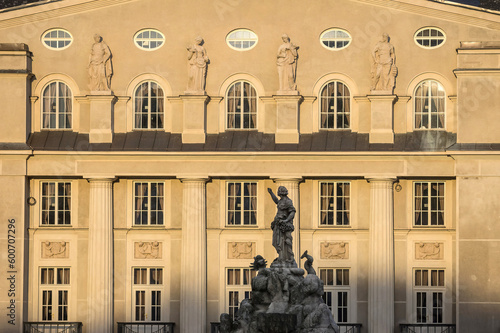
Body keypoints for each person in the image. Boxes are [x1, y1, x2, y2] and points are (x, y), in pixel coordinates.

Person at [267, 186, 296, 263]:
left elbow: (292, 212)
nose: (278, 192)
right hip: (277, 222)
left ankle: (287, 257)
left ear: (282, 192)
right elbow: (276, 201)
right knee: (277, 241)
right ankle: (281, 256)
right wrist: (271, 193)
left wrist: (286, 220)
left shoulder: (288, 201)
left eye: (279, 191)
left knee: (284, 241)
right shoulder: (280, 201)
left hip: (284, 224)